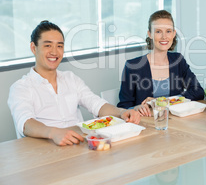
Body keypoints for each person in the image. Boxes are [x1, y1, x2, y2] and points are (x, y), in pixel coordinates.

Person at [8, 21, 141, 146]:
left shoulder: (70, 78)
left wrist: (122, 112)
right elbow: (25, 124)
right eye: (47, 45)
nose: (54, 52)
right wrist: (53, 132)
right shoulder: (21, 87)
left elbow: (96, 104)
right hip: (45, 150)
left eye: (59, 46)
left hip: (78, 145)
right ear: (33, 47)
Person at [118, 10, 204, 116]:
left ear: (173, 34)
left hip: (175, 122)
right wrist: (135, 108)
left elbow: (198, 91)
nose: (164, 37)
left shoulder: (178, 60)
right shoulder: (132, 66)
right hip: (146, 123)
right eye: (158, 31)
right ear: (150, 34)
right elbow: (123, 107)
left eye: (168, 31)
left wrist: (163, 101)